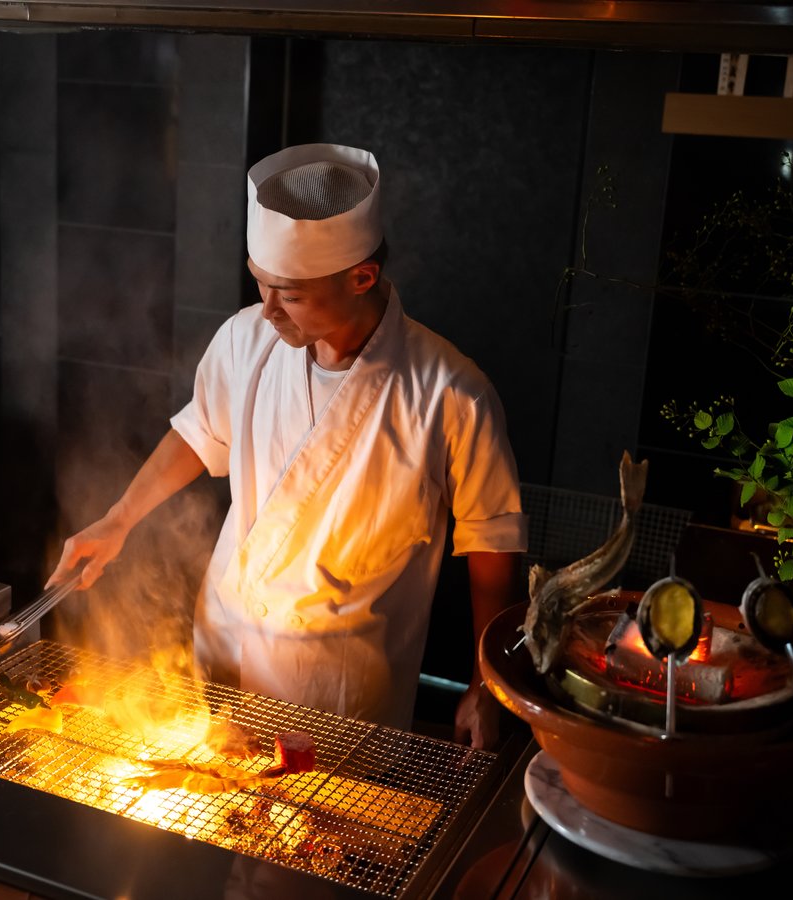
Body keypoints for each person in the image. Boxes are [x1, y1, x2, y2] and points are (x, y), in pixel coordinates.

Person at [47, 143, 527, 749]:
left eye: (290, 294)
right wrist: (118, 520)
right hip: (223, 650)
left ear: (361, 278)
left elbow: (492, 544)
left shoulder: (452, 393)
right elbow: (198, 434)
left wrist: (487, 681)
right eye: (260, 282)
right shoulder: (244, 340)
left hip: (336, 687)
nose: (268, 309)